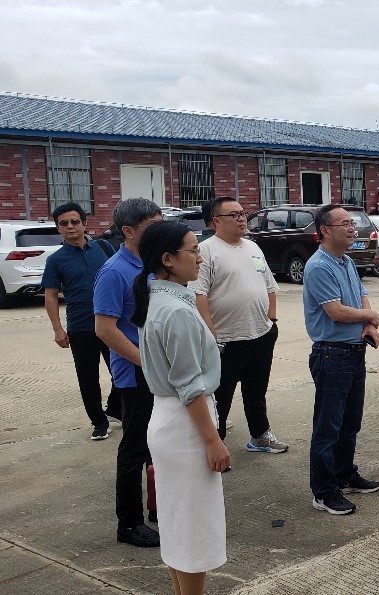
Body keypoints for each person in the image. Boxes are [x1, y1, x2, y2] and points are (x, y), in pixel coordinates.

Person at [133, 220, 230, 595]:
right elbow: (189, 387)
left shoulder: (160, 301)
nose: (200, 257)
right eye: (193, 250)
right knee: (193, 531)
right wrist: (212, 440)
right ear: (168, 259)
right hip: (187, 424)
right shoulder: (176, 311)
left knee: (178, 524)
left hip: (169, 418)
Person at [189, 197, 287, 456]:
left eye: (243, 213)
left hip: (261, 333)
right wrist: (211, 334)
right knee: (220, 395)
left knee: (256, 390)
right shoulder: (206, 251)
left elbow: (269, 285)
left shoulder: (253, 247)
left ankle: (260, 435)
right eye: (233, 215)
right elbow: (199, 295)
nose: (241, 218)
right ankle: (216, 444)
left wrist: (272, 321)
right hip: (226, 339)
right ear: (216, 221)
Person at [303, 205, 379, 515]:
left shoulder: (346, 261)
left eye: (353, 223)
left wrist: (369, 323)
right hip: (332, 355)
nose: (352, 228)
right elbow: (335, 311)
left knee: (350, 422)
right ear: (325, 230)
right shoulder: (319, 266)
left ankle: (344, 474)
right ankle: (323, 491)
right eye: (345, 224)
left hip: (354, 351)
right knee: (328, 427)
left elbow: (361, 295)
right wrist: (370, 316)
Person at [94, 198, 163, 548]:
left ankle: (158, 507)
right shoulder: (114, 271)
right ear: (128, 230)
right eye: (153, 225)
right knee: (135, 447)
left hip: (160, 369)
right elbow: (105, 329)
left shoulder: (155, 264)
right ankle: (129, 523)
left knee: (159, 444)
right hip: (136, 373)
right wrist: (145, 362)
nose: (160, 231)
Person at [41, 202, 120, 440]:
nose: (70, 227)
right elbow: (51, 295)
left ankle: (116, 408)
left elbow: (119, 276)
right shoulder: (56, 260)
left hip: (112, 324)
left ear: (85, 223)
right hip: (81, 327)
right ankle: (99, 422)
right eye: (63, 223)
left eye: (75, 221)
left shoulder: (104, 248)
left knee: (121, 371)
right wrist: (58, 329)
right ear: (58, 228)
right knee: (88, 379)